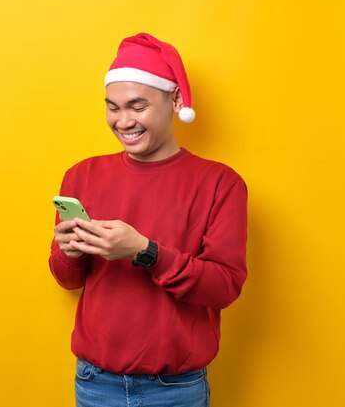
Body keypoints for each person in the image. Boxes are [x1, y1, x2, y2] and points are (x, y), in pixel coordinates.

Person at [49, 33, 248, 407]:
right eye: (113, 107)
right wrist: (69, 252)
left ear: (175, 101)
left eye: (137, 107)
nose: (123, 122)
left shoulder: (221, 183)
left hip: (176, 390)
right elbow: (67, 279)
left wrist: (145, 251)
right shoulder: (81, 175)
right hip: (94, 383)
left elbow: (224, 288)